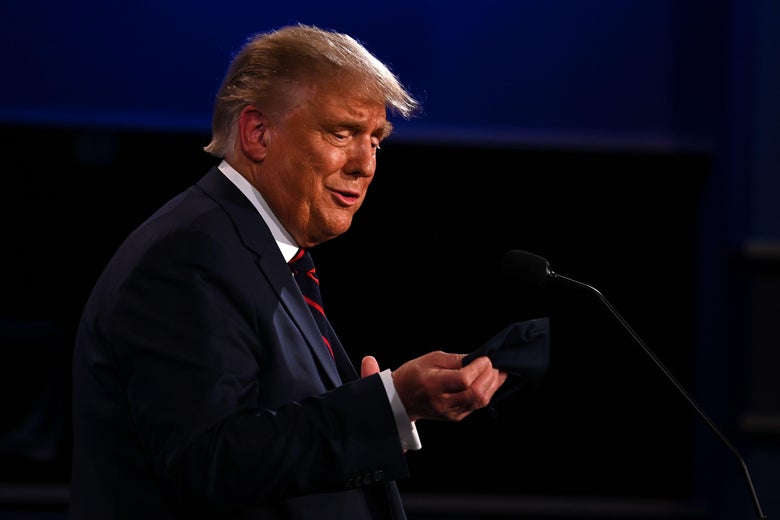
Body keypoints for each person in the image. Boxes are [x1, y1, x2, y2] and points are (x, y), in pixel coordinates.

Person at [70, 23, 508, 519]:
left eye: (376, 141)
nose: (365, 164)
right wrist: (388, 406)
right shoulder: (189, 256)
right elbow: (211, 462)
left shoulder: (256, 250)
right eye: (341, 133)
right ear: (258, 133)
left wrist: (365, 404)